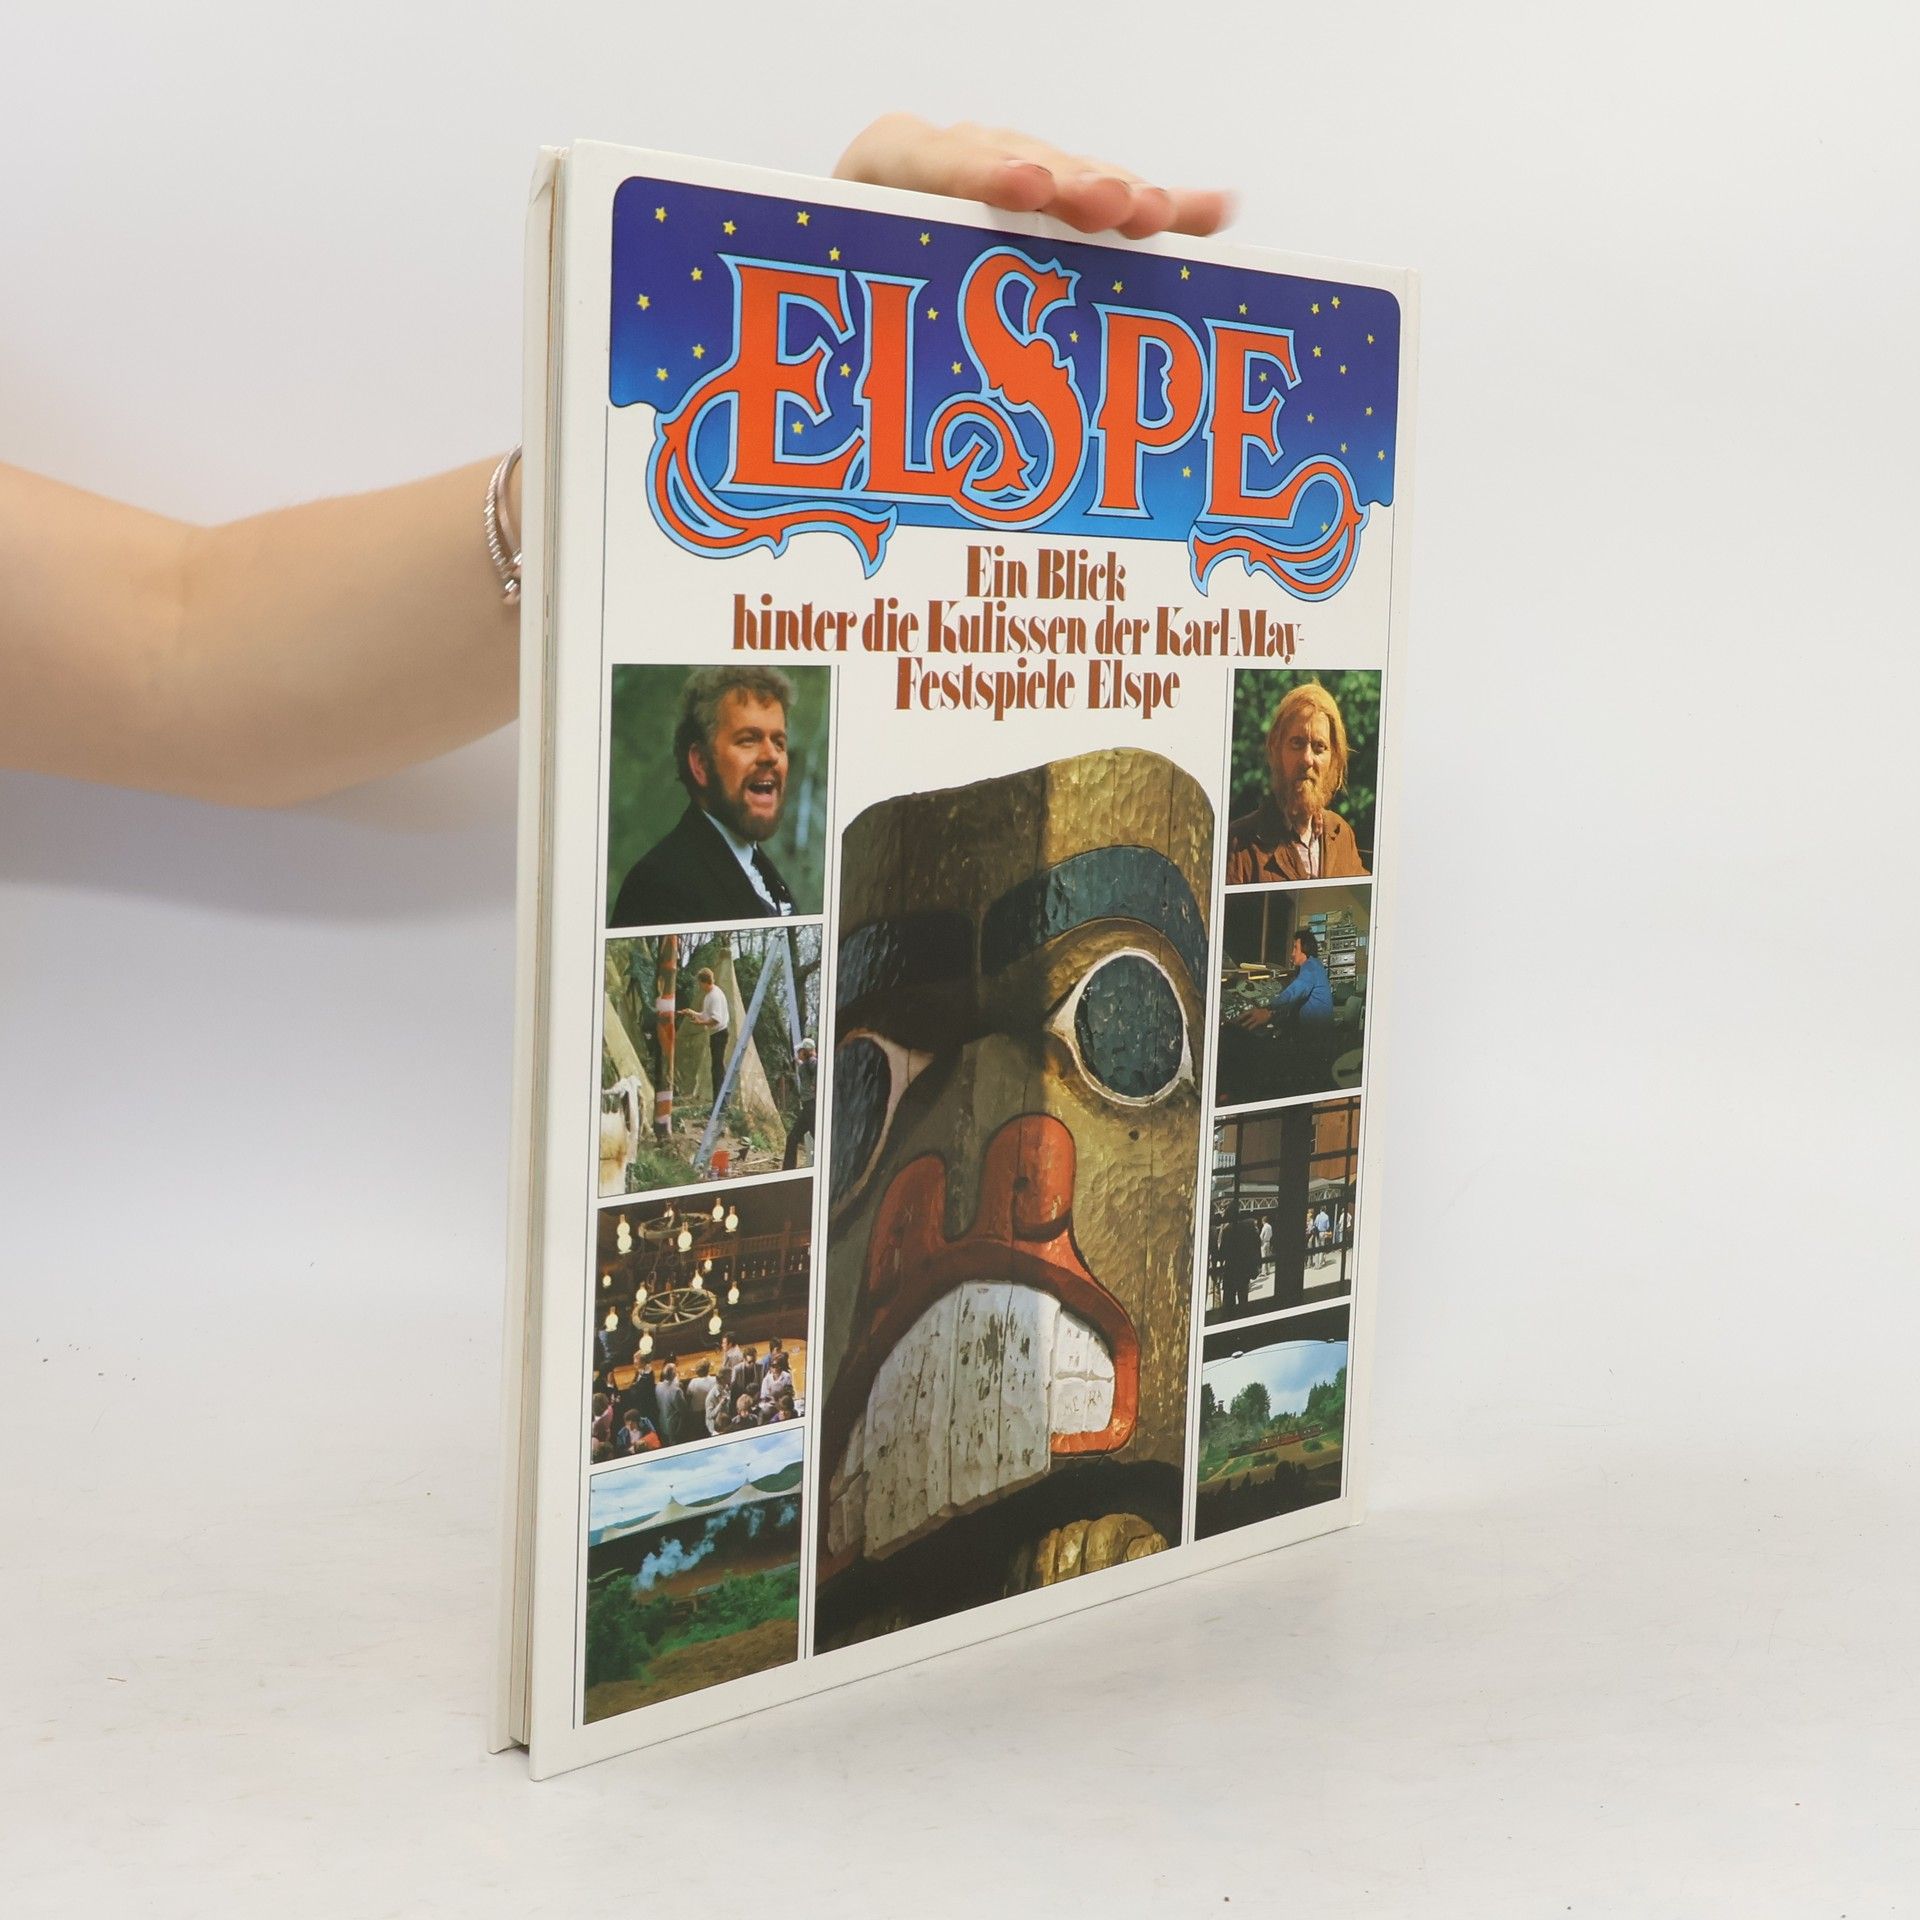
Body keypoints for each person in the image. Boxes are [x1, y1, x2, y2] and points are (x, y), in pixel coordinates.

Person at [610, 665, 803, 926]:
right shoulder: (660, 885)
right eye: (748, 739)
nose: (771, 755)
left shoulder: (764, 872)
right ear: (701, 763)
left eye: (779, 742)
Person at [1225, 682, 1369, 882]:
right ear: (1276, 750)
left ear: (1334, 759)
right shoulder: (1238, 845)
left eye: (1319, 747)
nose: (1307, 759)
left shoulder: (1341, 834)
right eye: (1297, 743)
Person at [1234, 928, 1336, 1089]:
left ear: (1305, 949)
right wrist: (1274, 1015)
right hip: (1317, 1035)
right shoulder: (1315, 966)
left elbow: (1294, 992)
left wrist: (1268, 1009)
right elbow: (1294, 1001)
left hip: (1313, 1038)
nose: (1292, 953)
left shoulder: (1310, 967)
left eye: (1295, 948)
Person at [677, 968, 733, 1122]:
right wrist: (691, 1012)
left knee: (717, 1071)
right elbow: (705, 1015)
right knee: (717, 1069)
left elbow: (715, 1019)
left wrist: (700, 1023)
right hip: (715, 1034)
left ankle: (720, 1107)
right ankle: (719, 1105)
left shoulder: (714, 995)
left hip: (719, 1034)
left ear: (704, 982)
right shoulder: (711, 995)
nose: (699, 986)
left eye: (699, 983)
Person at [783, 1036, 818, 1172]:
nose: (798, 1053)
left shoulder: (812, 1062)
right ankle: (788, 1170)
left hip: (811, 1107)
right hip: (809, 1107)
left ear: (805, 1052)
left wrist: (814, 1084)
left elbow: (819, 1069)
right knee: (793, 1138)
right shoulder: (806, 1064)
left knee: (796, 1138)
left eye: (800, 1051)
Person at [1219, 1209, 1262, 1318]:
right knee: (1243, 1298)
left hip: (1231, 1269)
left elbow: (1222, 1253)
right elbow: (1256, 1245)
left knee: (1229, 1300)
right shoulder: (1248, 1228)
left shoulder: (1227, 1230)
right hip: (1244, 1269)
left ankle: (1230, 1319)